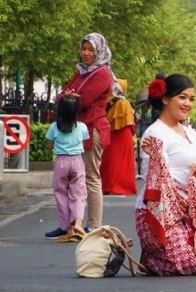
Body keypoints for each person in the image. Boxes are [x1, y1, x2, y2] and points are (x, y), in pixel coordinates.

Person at [135, 74, 196, 276]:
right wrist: (157, 158)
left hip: (190, 214)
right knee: (189, 264)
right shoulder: (154, 134)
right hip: (160, 213)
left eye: (191, 99)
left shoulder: (193, 135)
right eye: (182, 97)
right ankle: (152, 257)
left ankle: (158, 255)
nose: (188, 103)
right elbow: (152, 183)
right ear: (166, 99)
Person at [57, 32, 119, 231]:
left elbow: (82, 101)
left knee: (90, 177)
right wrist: (68, 97)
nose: (85, 53)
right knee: (69, 178)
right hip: (73, 131)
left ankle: (94, 225)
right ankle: (69, 224)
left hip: (93, 129)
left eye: (90, 50)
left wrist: (70, 97)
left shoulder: (102, 73)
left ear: (99, 51)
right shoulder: (81, 72)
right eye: (83, 49)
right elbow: (61, 97)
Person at [44, 94, 89, 241]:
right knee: (78, 193)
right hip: (77, 161)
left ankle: (67, 228)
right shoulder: (82, 127)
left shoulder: (54, 127)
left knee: (61, 194)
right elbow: (85, 142)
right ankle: (78, 224)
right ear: (77, 111)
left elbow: (49, 145)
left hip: (61, 161)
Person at [100, 79, 137, 195]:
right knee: (124, 162)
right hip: (124, 135)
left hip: (109, 134)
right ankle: (122, 186)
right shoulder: (124, 103)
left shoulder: (105, 101)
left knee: (109, 160)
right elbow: (130, 124)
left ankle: (107, 185)